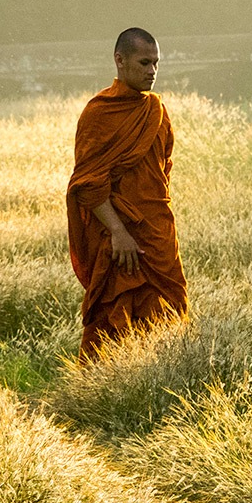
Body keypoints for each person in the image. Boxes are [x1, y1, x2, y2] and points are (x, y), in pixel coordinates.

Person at [67, 27, 188, 360]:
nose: (152, 72)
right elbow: (88, 184)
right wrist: (119, 232)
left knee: (168, 318)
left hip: (157, 234)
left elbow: (163, 173)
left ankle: (162, 383)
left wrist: (155, 223)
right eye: (144, 62)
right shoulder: (99, 113)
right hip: (118, 238)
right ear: (120, 60)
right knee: (113, 316)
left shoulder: (157, 112)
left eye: (156, 64)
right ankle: (101, 391)